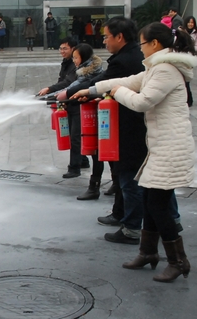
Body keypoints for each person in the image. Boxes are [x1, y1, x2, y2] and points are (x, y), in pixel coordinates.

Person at [88, 22, 197, 283]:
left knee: (158, 205)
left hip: (170, 147)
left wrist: (118, 93)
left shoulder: (165, 70)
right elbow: (127, 81)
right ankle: (147, 253)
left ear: (155, 44)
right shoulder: (155, 68)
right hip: (160, 146)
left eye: (143, 43)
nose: (141, 48)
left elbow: (142, 101)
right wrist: (92, 90)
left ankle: (178, 261)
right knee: (150, 200)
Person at [70, 17, 147, 245]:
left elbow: (110, 82)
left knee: (129, 178)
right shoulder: (132, 57)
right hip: (130, 126)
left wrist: (82, 92)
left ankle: (132, 228)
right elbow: (106, 84)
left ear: (119, 37)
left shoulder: (126, 60)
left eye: (106, 36)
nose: (104, 41)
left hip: (130, 128)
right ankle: (123, 214)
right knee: (126, 175)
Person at [55, 43, 104, 200]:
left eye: (76, 57)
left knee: (79, 138)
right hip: (78, 105)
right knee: (80, 138)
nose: (74, 60)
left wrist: (62, 94)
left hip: (86, 109)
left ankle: (76, 168)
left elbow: (74, 86)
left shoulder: (88, 72)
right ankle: (82, 162)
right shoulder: (80, 68)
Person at [38, 37, 90, 177]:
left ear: (74, 49)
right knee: (74, 134)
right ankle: (83, 160)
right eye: (60, 48)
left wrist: (51, 90)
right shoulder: (67, 63)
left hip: (78, 104)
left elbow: (69, 83)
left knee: (75, 137)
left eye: (65, 48)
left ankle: (74, 168)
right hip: (70, 102)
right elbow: (62, 81)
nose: (62, 51)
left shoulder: (80, 67)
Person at [179, 15, 197, 107]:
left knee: (187, 78)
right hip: (181, 58)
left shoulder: (196, 34)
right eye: (189, 22)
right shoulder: (181, 32)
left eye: (192, 23)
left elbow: (196, 46)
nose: (190, 24)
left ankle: (189, 99)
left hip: (189, 58)